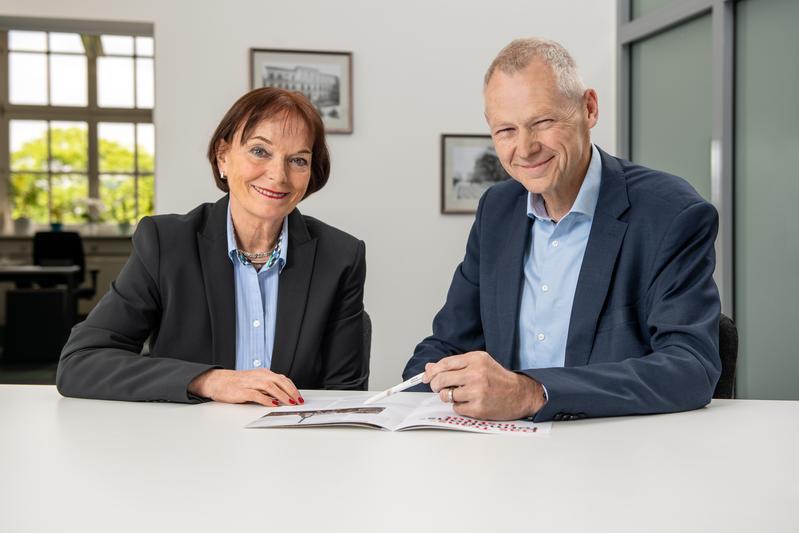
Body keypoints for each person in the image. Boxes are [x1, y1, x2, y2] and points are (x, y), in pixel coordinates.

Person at [403, 38, 721, 422]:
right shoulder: (497, 210)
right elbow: (449, 341)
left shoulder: (670, 213)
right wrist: (417, 393)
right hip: (501, 453)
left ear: (589, 108)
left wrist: (534, 393)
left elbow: (691, 367)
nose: (525, 148)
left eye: (543, 122)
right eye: (506, 130)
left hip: (619, 453)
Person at [57, 87, 368, 406]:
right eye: (260, 151)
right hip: (189, 444)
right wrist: (209, 380)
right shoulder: (165, 243)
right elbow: (80, 362)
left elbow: (342, 399)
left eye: (298, 160)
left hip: (294, 448)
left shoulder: (340, 257)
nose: (278, 175)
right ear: (223, 157)